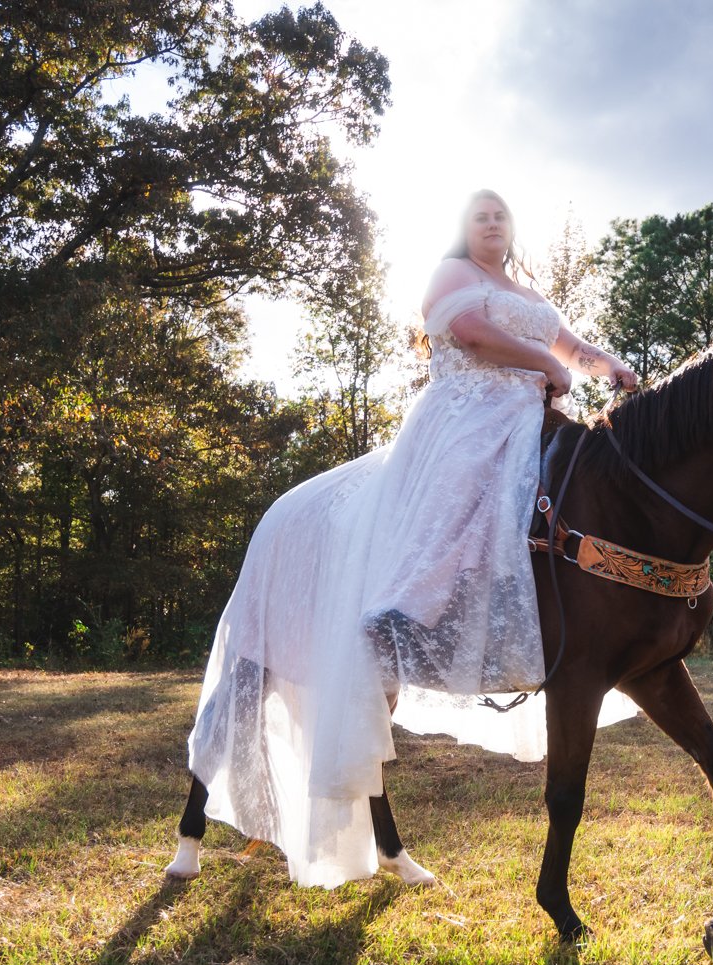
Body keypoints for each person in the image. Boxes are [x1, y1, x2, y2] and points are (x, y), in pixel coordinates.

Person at [181, 189, 639, 889]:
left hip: (528, 420)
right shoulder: (453, 278)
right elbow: (474, 338)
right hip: (466, 420)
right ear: (464, 229)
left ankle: (542, 621)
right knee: (465, 495)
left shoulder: (527, 289)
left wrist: (606, 367)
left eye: (502, 215)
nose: (493, 222)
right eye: (481, 214)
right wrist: (546, 367)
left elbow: (569, 345)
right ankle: (414, 600)